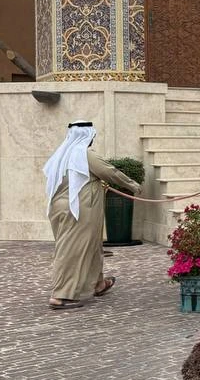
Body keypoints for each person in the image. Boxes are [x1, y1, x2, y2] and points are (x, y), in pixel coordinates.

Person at [44, 121, 142, 311]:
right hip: (78, 209)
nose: (93, 139)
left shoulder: (62, 153)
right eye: (92, 136)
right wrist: (133, 185)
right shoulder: (84, 154)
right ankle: (61, 295)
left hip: (60, 207)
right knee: (72, 250)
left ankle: (98, 283)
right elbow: (109, 171)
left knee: (92, 245)